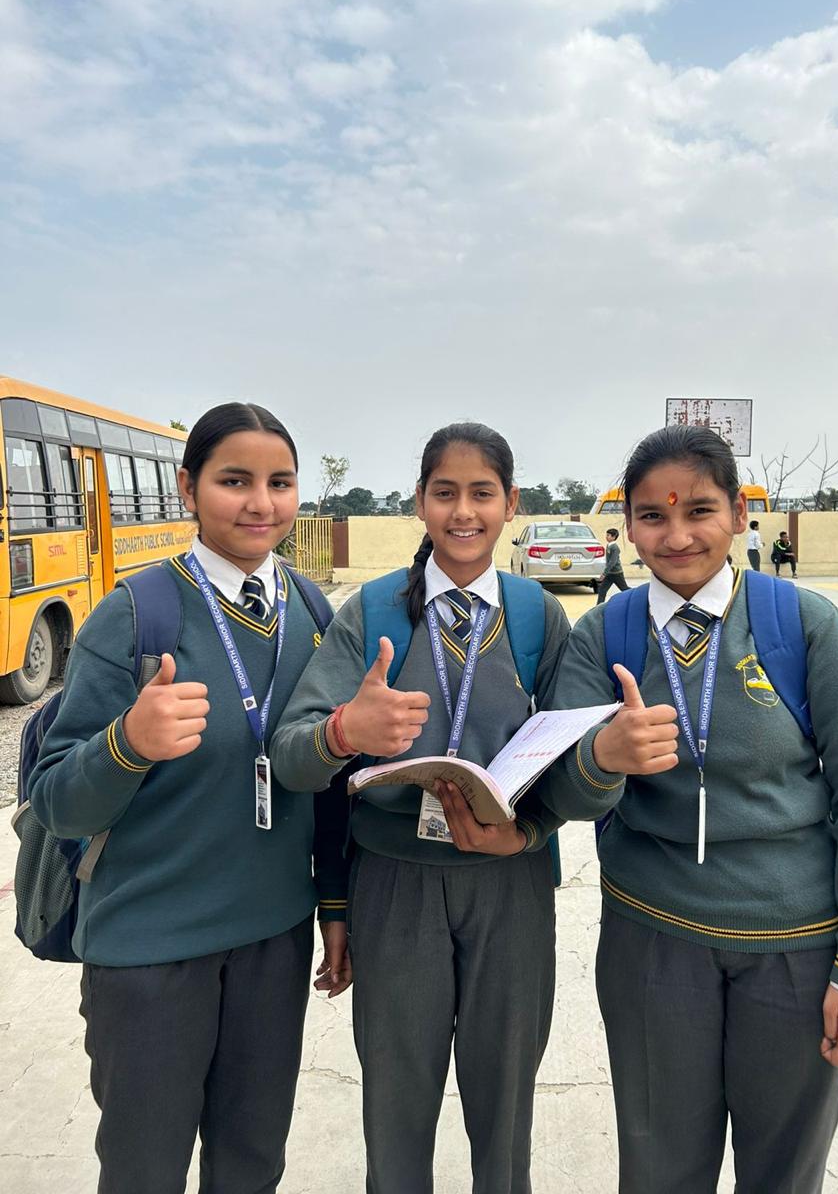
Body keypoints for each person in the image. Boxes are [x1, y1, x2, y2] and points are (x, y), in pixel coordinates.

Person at [540, 424, 838, 1194]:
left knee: (783, 1170)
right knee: (661, 1168)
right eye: (651, 515)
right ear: (627, 525)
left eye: (698, 510)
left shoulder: (802, 626)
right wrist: (604, 758)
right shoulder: (606, 634)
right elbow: (560, 795)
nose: (675, 536)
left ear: (739, 514)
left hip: (796, 952)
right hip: (653, 945)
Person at [30, 403, 348, 1194]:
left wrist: (334, 907)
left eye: (279, 482)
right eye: (233, 480)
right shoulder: (138, 614)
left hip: (275, 941)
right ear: (188, 489)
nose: (259, 503)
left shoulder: (312, 614)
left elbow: (330, 788)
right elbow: (59, 802)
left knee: (251, 1163)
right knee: (145, 1167)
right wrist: (127, 743)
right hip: (149, 951)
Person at [270, 422, 570, 1194]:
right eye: (445, 493)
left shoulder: (538, 618)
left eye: (481, 494)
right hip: (396, 882)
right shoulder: (369, 614)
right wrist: (347, 731)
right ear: (419, 503)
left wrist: (529, 826)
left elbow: (579, 763)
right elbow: (294, 753)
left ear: (511, 504)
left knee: (504, 1102)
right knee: (397, 1104)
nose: (462, 512)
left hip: (511, 885)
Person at [597, 526, 629, 601]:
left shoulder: (615, 547)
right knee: (602, 590)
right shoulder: (609, 545)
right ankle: (598, 608)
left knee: (625, 589)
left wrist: (604, 573)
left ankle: (638, 597)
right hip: (610, 574)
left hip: (617, 573)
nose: (606, 537)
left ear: (614, 537)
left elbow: (613, 562)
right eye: (606, 535)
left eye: (608, 535)